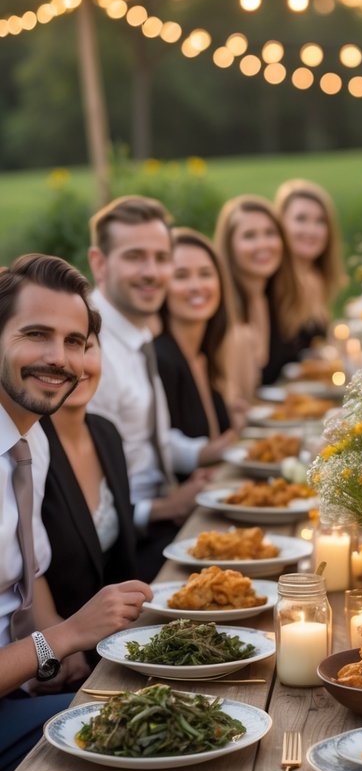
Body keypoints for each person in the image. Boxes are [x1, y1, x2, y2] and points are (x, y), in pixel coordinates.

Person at [0, 253, 152, 771]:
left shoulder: (24, 442)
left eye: (74, 340)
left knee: (146, 735)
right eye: (36, 336)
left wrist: (68, 654)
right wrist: (61, 639)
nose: (57, 360)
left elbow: (26, 582)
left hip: (22, 689)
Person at [86, 196, 211, 581]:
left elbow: (143, 437)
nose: (152, 272)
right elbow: (83, 486)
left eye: (161, 257)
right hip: (127, 552)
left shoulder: (136, 332)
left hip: (161, 520)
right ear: (99, 263)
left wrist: (207, 451)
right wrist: (162, 508)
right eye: (135, 256)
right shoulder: (90, 349)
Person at [40, 327, 137, 678]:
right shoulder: (29, 447)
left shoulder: (106, 433)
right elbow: (28, 571)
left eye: (84, 346)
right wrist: (61, 644)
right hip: (63, 658)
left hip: (118, 642)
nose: (76, 364)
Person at [154, 228, 238, 478]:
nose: (196, 286)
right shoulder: (161, 359)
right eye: (181, 276)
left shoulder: (204, 354)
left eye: (205, 274)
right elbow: (159, 450)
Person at [214, 194, 298, 393]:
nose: (263, 244)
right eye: (249, 236)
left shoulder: (276, 299)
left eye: (270, 233)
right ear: (229, 246)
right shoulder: (220, 311)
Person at [274, 178, 345, 349]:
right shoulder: (271, 283)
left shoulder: (316, 278)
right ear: (280, 224)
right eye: (301, 219)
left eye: (320, 221)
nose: (311, 230)